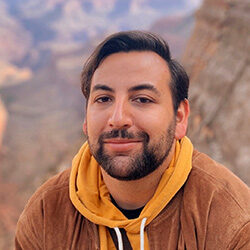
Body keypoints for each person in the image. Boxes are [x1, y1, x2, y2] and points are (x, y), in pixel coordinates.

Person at [15, 31, 250, 250]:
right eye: (104, 98)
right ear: (85, 118)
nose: (118, 119)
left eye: (142, 99)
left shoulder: (230, 217)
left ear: (179, 118)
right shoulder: (46, 214)